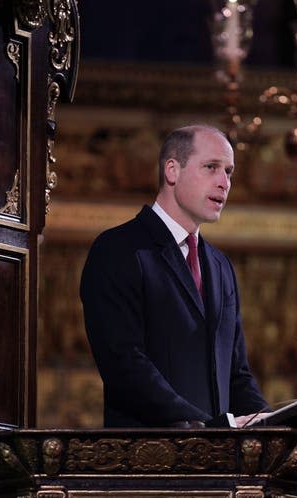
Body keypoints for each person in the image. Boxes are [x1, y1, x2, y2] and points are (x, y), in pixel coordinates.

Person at [79, 124, 269, 428]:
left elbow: (237, 373)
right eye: (211, 167)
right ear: (172, 170)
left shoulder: (221, 266)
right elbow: (125, 364)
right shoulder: (118, 250)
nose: (224, 183)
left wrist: (269, 422)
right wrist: (207, 427)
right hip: (150, 459)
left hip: (218, 463)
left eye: (229, 172)